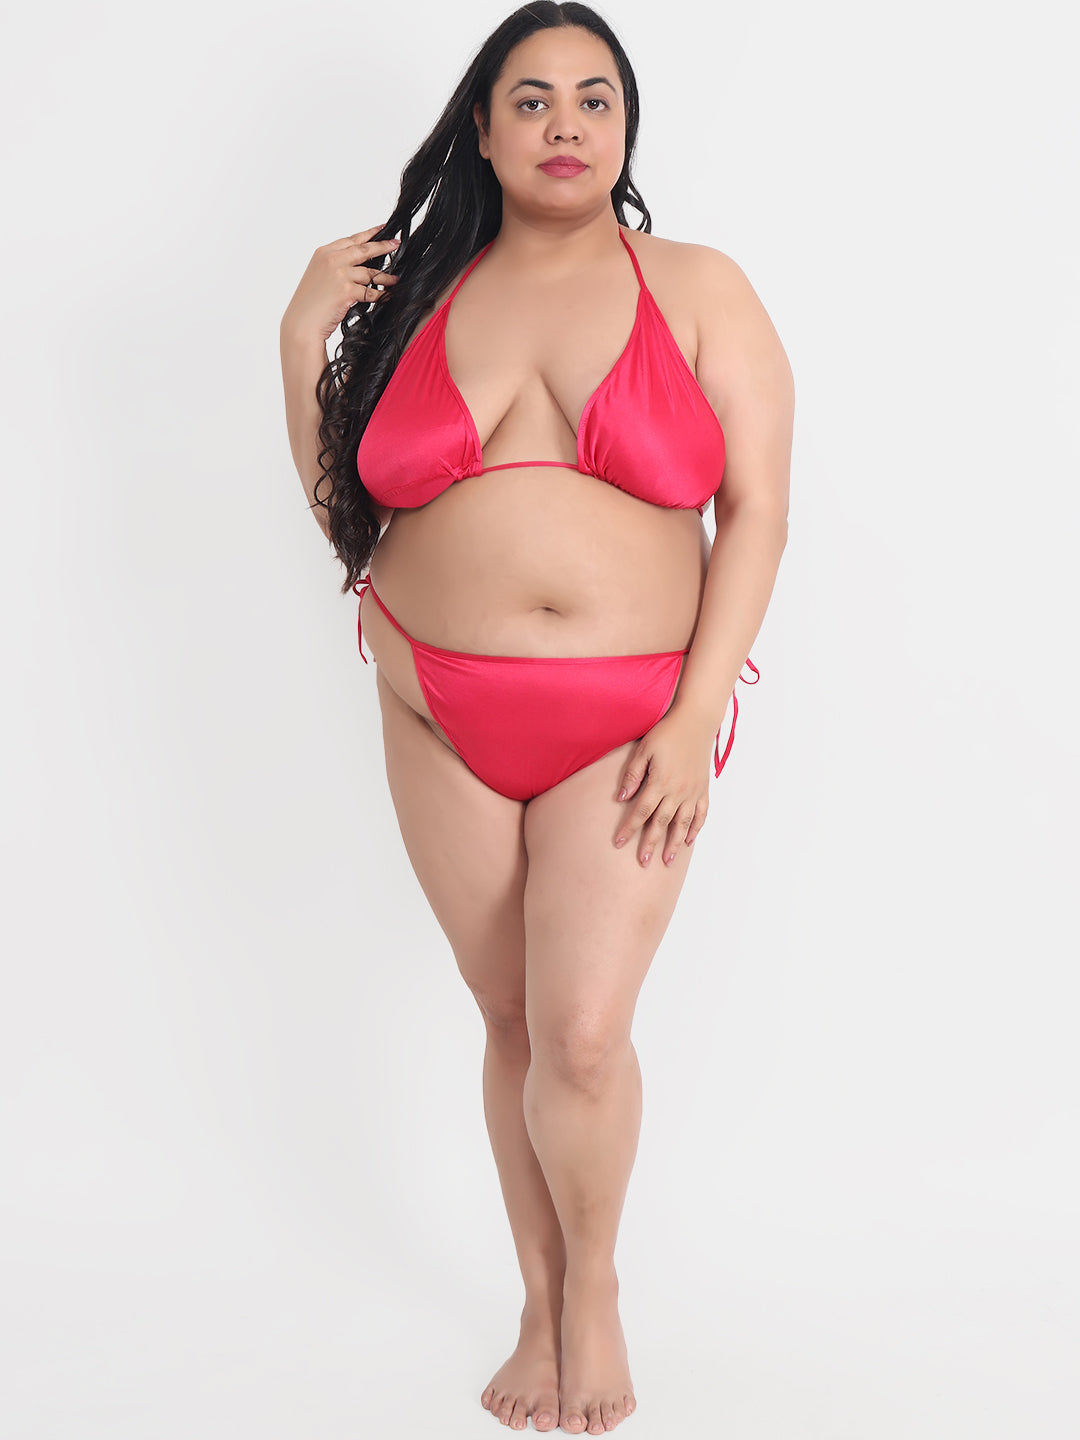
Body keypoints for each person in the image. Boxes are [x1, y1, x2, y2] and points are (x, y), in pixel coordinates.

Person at [279, 3, 792, 1432]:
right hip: (434, 703)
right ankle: (535, 1292)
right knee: (508, 1012)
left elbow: (758, 512)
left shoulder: (700, 287)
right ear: (485, 128)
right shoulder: (423, 298)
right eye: (532, 99)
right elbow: (348, 519)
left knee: (578, 1032)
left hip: (635, 720)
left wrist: (696, 715)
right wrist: (303, 334)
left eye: (593, 99)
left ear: (625, 128)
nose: (566, 124)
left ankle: (595, 1291)